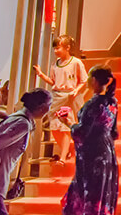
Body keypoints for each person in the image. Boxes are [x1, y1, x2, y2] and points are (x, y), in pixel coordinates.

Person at [62, 68, 118, 215]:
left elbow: (82, 131)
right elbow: (114, 131)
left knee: (89, 189)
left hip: (92, 151)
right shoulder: (112, 102)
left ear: (93, 80)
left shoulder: (92, 104)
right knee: (103, 189)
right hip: (106, 149)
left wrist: (68, 123)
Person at [34, 35, 87, 164]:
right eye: (55, 49)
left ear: (67, 48)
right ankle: (66, 149)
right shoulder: (55, 64)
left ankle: (63, 157)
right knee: (54, 126)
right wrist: (41, 74)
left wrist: (76, 90)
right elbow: (53, 81)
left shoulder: (76, 62)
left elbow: (83, 80)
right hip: (57, 96)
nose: (56, 51)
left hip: (69, 97)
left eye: (58, 48)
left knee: (65, 126)